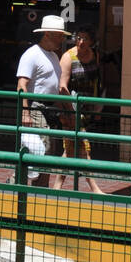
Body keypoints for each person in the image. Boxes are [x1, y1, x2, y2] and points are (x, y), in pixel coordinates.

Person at [16, 13, 73, 186]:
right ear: (47, 34)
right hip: (36, 107)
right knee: (42, 149)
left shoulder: (54, 56)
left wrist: (66, 109)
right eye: (59, 35)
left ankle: (38, 189)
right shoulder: (32, 54)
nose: (61, 39)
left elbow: (56, 87)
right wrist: (25, 113)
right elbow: (21, 85)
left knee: (47, 150)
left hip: (49, 109)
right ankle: (23, 184)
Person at [59, 27, 106, 194]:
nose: (81, 42)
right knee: (84, 149)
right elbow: (62, 86)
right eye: (78, 38)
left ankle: (57, 186)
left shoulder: (95, 55)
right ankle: (94, 188)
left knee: (70, 150)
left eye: (85, 39)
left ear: (91, 41)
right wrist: (69, 112)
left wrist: (97, 108)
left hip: (88, 110)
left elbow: (97, 82)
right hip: (71, 109)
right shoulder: (68, 57)